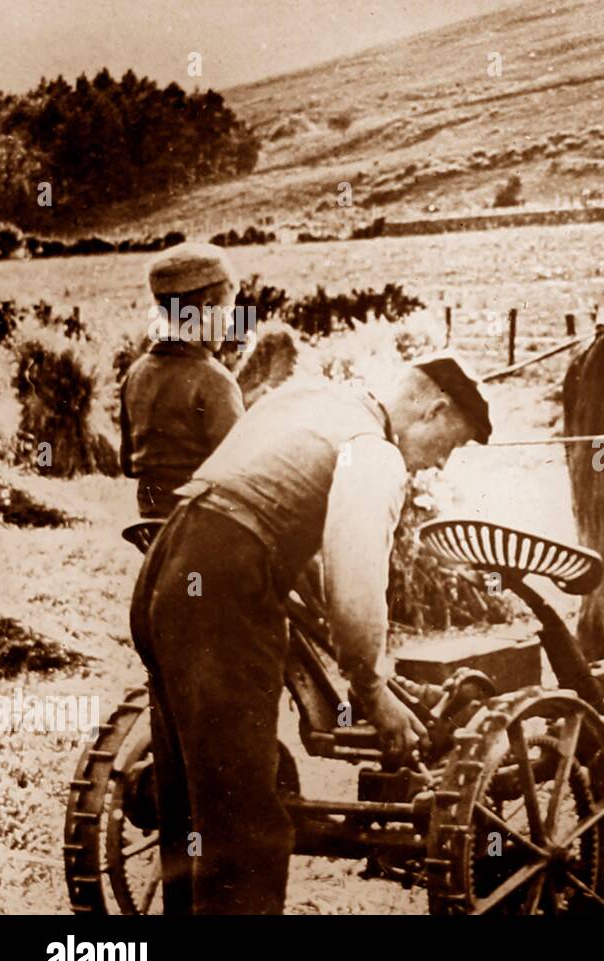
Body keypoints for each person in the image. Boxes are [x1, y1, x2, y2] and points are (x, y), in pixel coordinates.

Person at [129, 352, 491, 914]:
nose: (442, 463)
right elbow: (357, 574)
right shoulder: (376, 452)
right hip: (223, 586)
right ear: (434, 409)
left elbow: (264, 507)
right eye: (453, 443)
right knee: (246, 824)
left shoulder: (314, 400)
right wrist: (372, 691)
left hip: (170, 562)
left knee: (190, 809)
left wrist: (331, 618)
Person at [120, 242, 245, 518]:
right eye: (227, 313)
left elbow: (128, 465)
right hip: (202, 526)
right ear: (207, 307)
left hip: (151, 523)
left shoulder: (137, 373)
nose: (230, 324)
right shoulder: (214, 380)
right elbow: (240, 469)